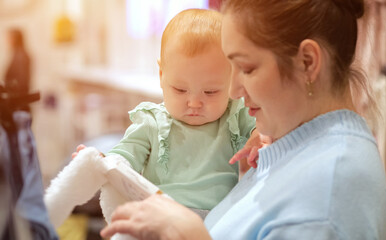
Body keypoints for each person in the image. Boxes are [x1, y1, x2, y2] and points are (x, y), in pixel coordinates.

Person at [99, 0, 386, 239]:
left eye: (247, 69)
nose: (233, 90)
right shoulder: (294, 145)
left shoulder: (330, 194)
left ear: (308, 62)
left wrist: (189, 234)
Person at [73, 8, 257, 216]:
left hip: (218, 219)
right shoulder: (152, 122)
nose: (195, 102)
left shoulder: (234, 114)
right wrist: (103, 161)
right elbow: (126, 154)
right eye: (180, 89)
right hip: (161, 216)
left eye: (211, 92)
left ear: (232, 80)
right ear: (161, 75)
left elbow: (262, 128)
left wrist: (259, 136)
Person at [4, 28, 32, 112]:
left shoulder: (20, 56)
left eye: (9, 38)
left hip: (18, 104)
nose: (7, 41)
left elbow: (22, 83)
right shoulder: (18, 54)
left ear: (15, 39)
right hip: (18, 103)